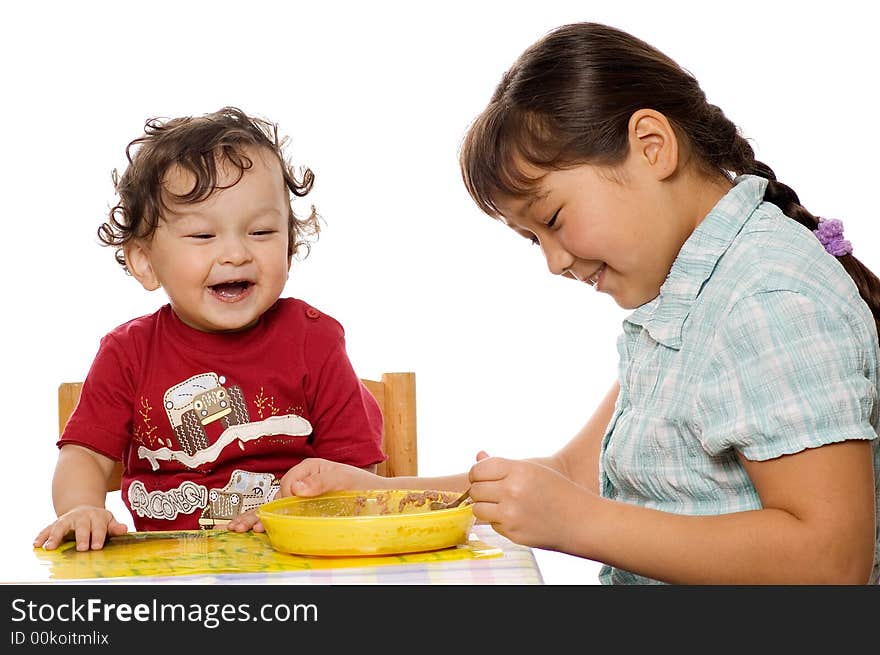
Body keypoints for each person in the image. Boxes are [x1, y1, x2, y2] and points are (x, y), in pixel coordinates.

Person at [231, 23, 880, 584]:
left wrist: (577, 523)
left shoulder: (765, 295)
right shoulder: (689, 297)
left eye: (554, 218)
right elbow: (576, 471)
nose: (554, 261)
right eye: (531, 238)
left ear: (652, 146)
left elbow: (830, 560)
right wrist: (376, 492)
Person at [35, 107, 385, 551]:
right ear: (144, 260)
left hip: (293, 562)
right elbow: (83, 455)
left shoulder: (314, 341)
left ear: (290, 245)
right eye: (203, 236)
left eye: (261, 232)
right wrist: (80, 508)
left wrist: (304, 508)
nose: (236, 253)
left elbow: (354, 475)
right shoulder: (128, 353)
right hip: (170, 575)